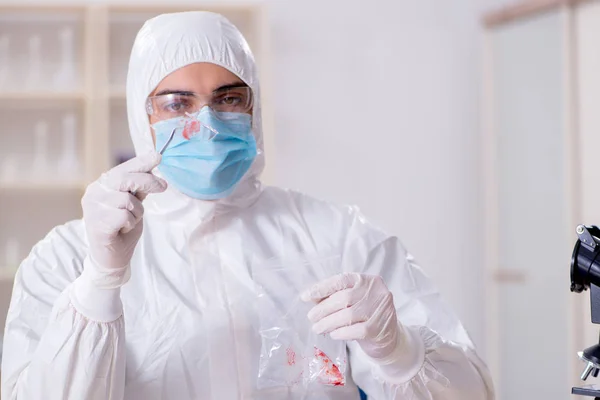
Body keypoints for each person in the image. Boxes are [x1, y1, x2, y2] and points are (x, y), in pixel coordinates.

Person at [1, 11, 494, 400]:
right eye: (177, 103)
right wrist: (100, 284)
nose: (208, 121)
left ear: (253, 108)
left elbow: (474, 393)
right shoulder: (67, 259)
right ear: (141, 113)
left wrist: (399, 349)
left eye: (229, 98)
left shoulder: (336, 236)